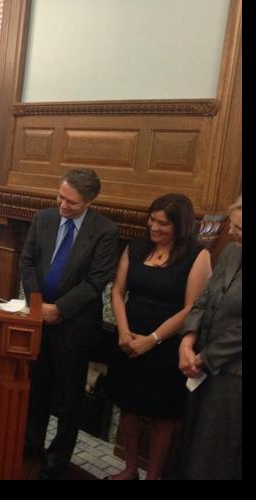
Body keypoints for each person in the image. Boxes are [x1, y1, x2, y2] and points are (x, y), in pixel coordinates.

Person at [105, 194, 212, 480]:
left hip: (166, 346)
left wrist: (152, 339)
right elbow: (118, 291)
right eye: (152, 220)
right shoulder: (136, 246)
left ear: (180, 225)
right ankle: (130, 469)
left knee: (162, 417)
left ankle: (153, 476)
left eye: (162, 223)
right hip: (128, 340)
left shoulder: (197, 255)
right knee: (128, 406)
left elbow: (192, 308)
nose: (153, 227)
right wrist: (123, 330)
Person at [20, 168, 119, 479]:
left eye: (72, 202)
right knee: (36, 386)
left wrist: (60, 309)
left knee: (69, 396)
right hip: (39, 318)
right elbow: (27, 262)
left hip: (75, 326)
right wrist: (39, 304)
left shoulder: (105, 231)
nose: (63, 205)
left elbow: (96, 281)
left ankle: (58, 457)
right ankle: (31, 443)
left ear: (89, 202)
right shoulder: (43, 218)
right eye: (61, 197)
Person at [176, 195, 242, 480]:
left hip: (233, 377)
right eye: (232, 225)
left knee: (216, 453)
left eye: (240, 228)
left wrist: (204, 357)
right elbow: (204, 299)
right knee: (194, 444)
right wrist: (188, 339)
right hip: (200, 366)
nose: (232, 232)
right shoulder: (230, 252)